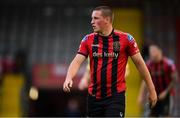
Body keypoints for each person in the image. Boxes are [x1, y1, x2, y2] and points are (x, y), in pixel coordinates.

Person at [63, 6, 157, 117]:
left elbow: (141, 65)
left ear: (107, 20)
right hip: (94, 98)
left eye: (96, 18)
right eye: (92, 18)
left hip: (115, 97)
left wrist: (152, 90)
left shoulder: (126, 39)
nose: (92, 22)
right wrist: (68, 77)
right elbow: (77, 61)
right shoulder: (88, 40)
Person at [138, 44, 177, 117]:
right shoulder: (149, 64)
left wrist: (165, 92)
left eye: (153, 51)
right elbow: (145, 80)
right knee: (152, 115)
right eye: (150, 52)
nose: (151, 53)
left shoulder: (168, 64)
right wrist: (141, 95)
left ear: (159, 52)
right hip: (154, 94)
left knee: (166, 115)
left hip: (167, 95)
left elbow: (175, 80)